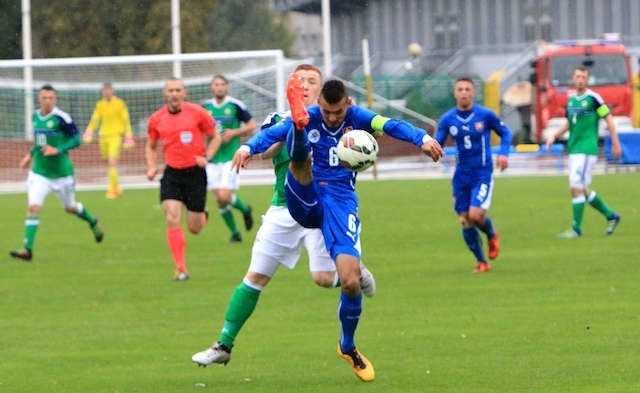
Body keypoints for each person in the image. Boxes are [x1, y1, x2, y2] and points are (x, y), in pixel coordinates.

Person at [221, 76, 442, 382]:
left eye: (338, 112)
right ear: (319, 104)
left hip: (340, 201)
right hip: (303, 194)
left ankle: (347, 346)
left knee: (350, 282)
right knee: (300, 158)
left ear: (347, 104)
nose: (332, 117)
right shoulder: (311, 116)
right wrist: (247, 147)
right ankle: (298, 130)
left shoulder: (358, 117)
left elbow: (390, 124)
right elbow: (271, 134)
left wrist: (422, 138)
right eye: (326, 111)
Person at [191, 65, 376, 370]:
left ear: (323, 92)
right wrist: (284, 132)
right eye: (299, 80)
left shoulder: (343, 122)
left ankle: (354, 275)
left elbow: (372, 133)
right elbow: (268, 149)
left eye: (311, 81)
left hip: (326, 209)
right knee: (255, 277)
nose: (304, 85)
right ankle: (223, 344)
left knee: (323, 279)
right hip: (285, 207)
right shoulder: (280, 120)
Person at [10, 84, 104, 261]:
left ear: (55, 99)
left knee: (70, 208)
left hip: (62, 175)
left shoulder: (62, 118)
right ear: (39, 99)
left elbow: (77, 139)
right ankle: (27, 249)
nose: (47, 101)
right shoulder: (36, 117)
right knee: (33, 208)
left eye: (51, 98)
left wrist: (58, 149)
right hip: (39, 173)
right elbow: (40, 141)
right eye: (44, 98)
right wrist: (29, 155)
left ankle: (92, 221)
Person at [145, 78, 221, 281]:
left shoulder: (198, 113)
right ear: (165, 94)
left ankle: (203, 215)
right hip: (172, 174)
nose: (174, 93)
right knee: (172, 217)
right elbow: (151, 146)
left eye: (178, 90)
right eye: (170, 90)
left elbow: (216, 137)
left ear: (184, 93)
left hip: (195, 173)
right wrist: (152, 166)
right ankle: (181, 268)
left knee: (194, 228)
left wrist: (207, 157)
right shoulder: (156, 119)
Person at [435, 77, 512, 273]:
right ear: (455, 93)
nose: (464, 92)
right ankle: (482, 262)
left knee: (476, 215)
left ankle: (491, 234)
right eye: (460, 89)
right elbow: (438, 143)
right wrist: (429, 147)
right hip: (461, 176)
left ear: (473, 93)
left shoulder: (485, 115)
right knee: (465, 220)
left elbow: (506, 133)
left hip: (482, 173)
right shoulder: (447, 119)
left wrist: (504, 152)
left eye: (467, 89)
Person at [545, 66, 622, 238]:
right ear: (573, 79)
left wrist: (615, 143)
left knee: (575, 186)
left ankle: (576, 229)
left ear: (587, 80)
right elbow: (568, 122)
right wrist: (554, 135)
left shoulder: (594, 98)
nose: (580, 79)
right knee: (582, 189)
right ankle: (611, 216)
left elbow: (608, 118)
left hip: (586, 150)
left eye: (583, 77)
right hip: (574, 149)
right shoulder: (572, 100)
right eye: (577, 76)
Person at [202, 75, 256, 243]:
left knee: (225, 197)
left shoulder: (235, 105)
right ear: (212, 87)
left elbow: (251, 125)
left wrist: (234, 133)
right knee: (219, 200)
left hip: (230, 158)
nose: (219, 87)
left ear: (227, 87)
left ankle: (245, 209)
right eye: (216, 84)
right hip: (212, 159)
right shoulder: (205, 107)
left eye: (222, 84)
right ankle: (235, 233)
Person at [82, 82, 134, 199]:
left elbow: (126, 120)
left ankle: (111, 190)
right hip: (103, 136)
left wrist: (128, 136)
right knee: (108, 163)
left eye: (108, 89)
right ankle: (118, 187)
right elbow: (95, 120)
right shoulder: (100, 104)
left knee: (112, 161)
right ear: (102, 92)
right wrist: (89, 132)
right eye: (104, 90)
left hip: (115, 136)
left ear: (112, 90)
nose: (107, 92)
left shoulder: (120, 104)